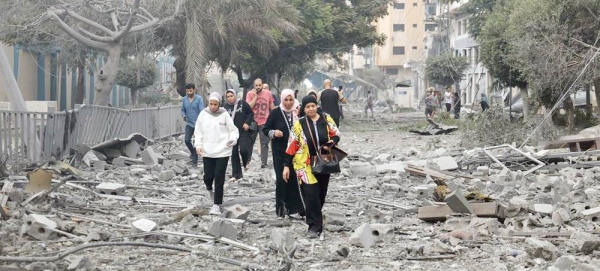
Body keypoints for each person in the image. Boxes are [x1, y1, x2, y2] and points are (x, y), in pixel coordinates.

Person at [283, 95, 341, 238]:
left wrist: (329, 144)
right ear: (304, 108)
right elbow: (292, 145)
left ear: (317, 106)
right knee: (311, 195)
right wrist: (286, 165)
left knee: (321, 195)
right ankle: (314, 227)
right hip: (304, 164)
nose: (310, 109)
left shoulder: (326, 119)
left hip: (323, 162)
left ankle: (316, 217)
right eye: (307, 107)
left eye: (313, 106)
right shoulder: (299, 124)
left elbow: (336, 134)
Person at [194, 92, 239, 215]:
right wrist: (198, 145)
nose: (213, 107)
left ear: (219, 104)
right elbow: (198, 132)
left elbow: (233, 130)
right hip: (207, 150)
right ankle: (209, 188)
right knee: (208, 176)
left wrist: (232, 140)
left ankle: (216, 204)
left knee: (219, 177)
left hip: (223, 151)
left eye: (215, 104)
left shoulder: (224, 115)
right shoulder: (203, 114)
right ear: (208, 103)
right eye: (211, 104)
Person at [263, 89, 304, 219]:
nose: (288, 102)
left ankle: (294, 209)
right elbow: (265, 129)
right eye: (285, 100)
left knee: (294, 179)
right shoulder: (276, 112)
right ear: (281, 99)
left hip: (296, 153)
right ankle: (281, 209)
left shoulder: (297, 112)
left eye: (290, 99)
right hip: (279, 151)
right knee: (281, 180)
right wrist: (274, 133)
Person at [223, 89, 254, 181]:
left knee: (243, 149)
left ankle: (246, 162)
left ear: (235, 95)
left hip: (243, 130)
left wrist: (247, 123)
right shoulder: (225, 107)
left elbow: (251, 113)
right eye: (228, 97)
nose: (230, 98)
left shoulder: (242, 103)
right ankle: (236, 175)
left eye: (231, 96)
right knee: (234, 153)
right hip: (232, 133)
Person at [246, 78, 276, 168]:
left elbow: (272, 107)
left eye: (260, 85)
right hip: (253, 121)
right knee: (250, 142)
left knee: (264, 143)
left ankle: (264, 163)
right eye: (256, 85)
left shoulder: (268, 93)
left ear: (262, 85)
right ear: (253, 86)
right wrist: (255, 97)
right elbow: (248, 107)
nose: (258, 87)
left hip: (264, 121)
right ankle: (247, 161)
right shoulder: (249, 94)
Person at [181, 83, 204, 165]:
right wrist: (183, 115)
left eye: (191, 91)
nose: (189, 93)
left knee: (196, 143)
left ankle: (195, 162)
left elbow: (202, 111)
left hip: (198, 124)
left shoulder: (199, 99)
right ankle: (192, 153)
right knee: (187, 140)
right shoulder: (184, 99)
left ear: (194, 90)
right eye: (188, 91)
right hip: (189, 124)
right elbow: (183, 110)